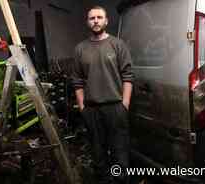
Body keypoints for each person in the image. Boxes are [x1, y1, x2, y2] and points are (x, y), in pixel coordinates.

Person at [72, 5, 133, 184]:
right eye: (92, 18)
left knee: (119, 153)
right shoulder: (80, 49)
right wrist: (83, 107)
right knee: (98, 155)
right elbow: (77, 81)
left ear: (106, 21)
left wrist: (125, 105)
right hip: (91, 110)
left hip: (115, 108)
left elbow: (128, 76)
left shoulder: (118, 45)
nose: (96, 21)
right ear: (87, 22)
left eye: (99, 17)